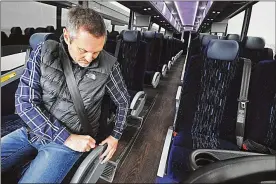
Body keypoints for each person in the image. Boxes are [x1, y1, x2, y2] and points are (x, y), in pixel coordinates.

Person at [1, 6, 130, 183]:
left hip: (68, 143)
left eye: (97, 51)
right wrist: (65, 137)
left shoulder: (109, 65)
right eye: (83, 50)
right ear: (67, 37)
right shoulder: (43, 52)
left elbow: (123, 102)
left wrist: (115, 135)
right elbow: (25, 102)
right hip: (32, 131)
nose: (91, 57)